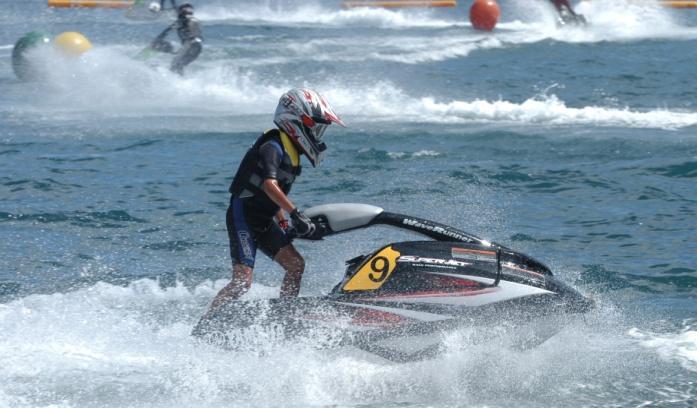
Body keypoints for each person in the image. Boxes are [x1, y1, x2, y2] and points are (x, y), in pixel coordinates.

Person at [199, 88, 345, 322]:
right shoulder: (273, 146)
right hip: (243, 217)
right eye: (316, 128)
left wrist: (284, 222)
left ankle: (283, 316)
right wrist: (295, 213)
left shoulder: (292, 152)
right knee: (242, 283)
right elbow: (269, 185)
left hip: (264, 221)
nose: (318, 135)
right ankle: (207, 322)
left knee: (295, 265)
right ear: (298, 121)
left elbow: (274, 195)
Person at [149, 3, 202, 74]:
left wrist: (157, 40)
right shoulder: (194, 20)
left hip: (190, 45)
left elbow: (167, 31)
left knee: (175, 65)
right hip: (197, 48)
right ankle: (181, 81)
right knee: (179, 65)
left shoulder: (183, 20)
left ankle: (175, 79)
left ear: (181, 11)